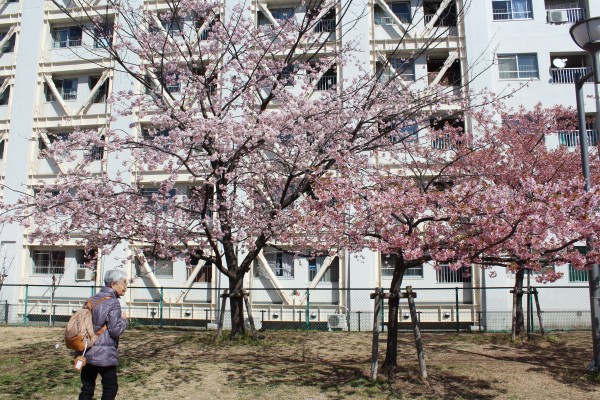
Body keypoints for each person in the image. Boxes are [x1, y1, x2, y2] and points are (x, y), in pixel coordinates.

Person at [78, 269, 128, 400]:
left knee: (87, 387)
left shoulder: (91, 300)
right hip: (104, 354)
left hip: (87, 349)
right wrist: (123, 320)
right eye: (124, 284)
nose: (125, 288)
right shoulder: (113, 303)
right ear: (113, 284)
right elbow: (115, 331)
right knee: (110, 387)